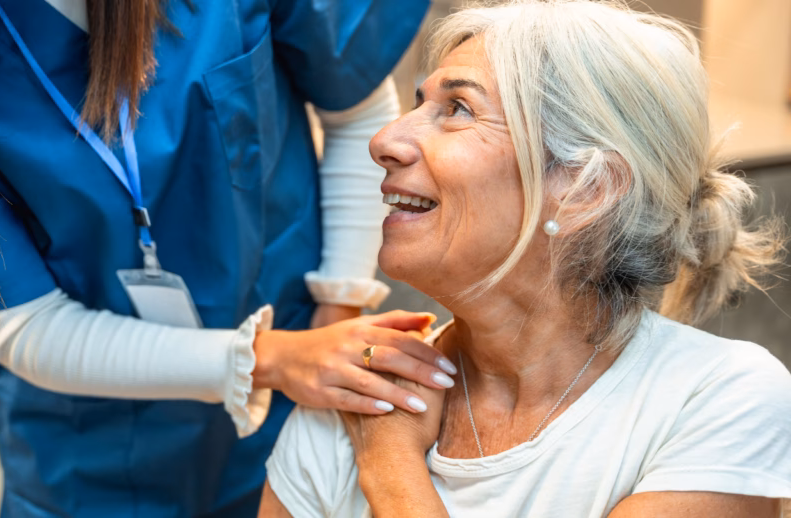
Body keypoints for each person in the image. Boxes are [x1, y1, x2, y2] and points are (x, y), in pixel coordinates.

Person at [0, 0, 465, 516]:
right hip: (93, 456)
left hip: (300, 397)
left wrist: (335, 310)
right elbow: (25, 325)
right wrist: (269, 360)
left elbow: (356, 110)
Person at [260, 1, 791, 516]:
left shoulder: (719, 399)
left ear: (588, 188)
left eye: (458, 109)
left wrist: (390, 465)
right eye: (420, 103)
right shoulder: (362, 393)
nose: (385, 140)